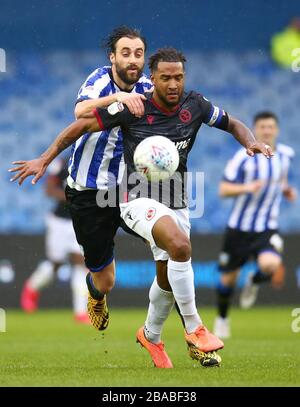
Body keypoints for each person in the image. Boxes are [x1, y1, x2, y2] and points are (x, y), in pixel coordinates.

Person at [9, 48, 273, 368]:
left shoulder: (196, 105)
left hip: (175, 198)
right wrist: (44, 158)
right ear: (153, 79)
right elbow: (80, 125)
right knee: (180, 246)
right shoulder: (134, 108)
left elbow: (232, 123)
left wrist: (249, 142)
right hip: (135, 198)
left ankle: (151, 334)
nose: (173, 83)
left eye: (178, 77)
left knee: (167, 276)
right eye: (165, 78)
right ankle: (195, 328)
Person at [55, 26, 152, 331]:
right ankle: (95, 293)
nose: (132, 59)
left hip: (127, 189)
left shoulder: (150, 87)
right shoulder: (99, 79)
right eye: (125, 53)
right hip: (87, 189)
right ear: (113, 57)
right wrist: (121, 98)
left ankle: (178, 329)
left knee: (172, 242)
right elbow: (80, 111)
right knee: (106, 280)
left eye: (138, 53)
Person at [214, 111, 296, 339]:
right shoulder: (243, 157)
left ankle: (253, 280)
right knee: (228, 280)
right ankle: (222, 319)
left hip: (266, 226)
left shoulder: (286, 155)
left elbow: (280, 181)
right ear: (255, 129)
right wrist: (246, 188)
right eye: (262, 127)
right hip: (239, 228)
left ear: (276, 130)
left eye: (271, 127)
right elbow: (223, 189)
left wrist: (286, 190)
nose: (267, 131)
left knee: (271, 265)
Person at [21, 157, 90, 324]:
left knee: (80, 262)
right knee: (56, 263)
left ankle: (81, 311)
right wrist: (73, 198)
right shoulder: (63, 163)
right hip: (58, 221)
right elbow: (49, 190)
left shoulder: (96, 163)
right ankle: (31, 288)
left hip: (79, 221)